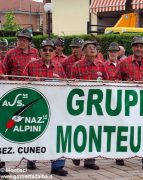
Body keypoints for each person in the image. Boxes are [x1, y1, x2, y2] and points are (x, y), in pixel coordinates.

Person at [22, 39, 68, 176]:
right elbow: (21, 82)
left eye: (50, 50)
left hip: (55, 107)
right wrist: (31, 82)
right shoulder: (31, 65)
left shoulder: (59, 66)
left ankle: (57, 166)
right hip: (35, 106)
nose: (47, 52)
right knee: (35, 133)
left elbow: (65, 84)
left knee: (57, 134)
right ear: (40, 51)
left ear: (54, 52)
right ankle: (31, 159)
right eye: (45, 50)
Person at [116, 36, 143, 172]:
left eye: (141, 46)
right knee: (126, 129)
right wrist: (124, 84)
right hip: (127, 105)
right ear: (132, 48)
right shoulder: (124, 63)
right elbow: (115, 80)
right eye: (136, 46)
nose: (139, 48)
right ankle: (120, 154)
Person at [71, 41, 109, 170]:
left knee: (93, 132)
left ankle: (90, 160)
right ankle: (76, 155)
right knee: (79, 130)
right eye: (89, 48)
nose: (92, 49)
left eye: (94, 47)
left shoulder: (101, 65)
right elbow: (71, 86)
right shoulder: (76, 65)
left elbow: (107, 83)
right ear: (83, 51)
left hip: (95, 106)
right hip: (80, 106)